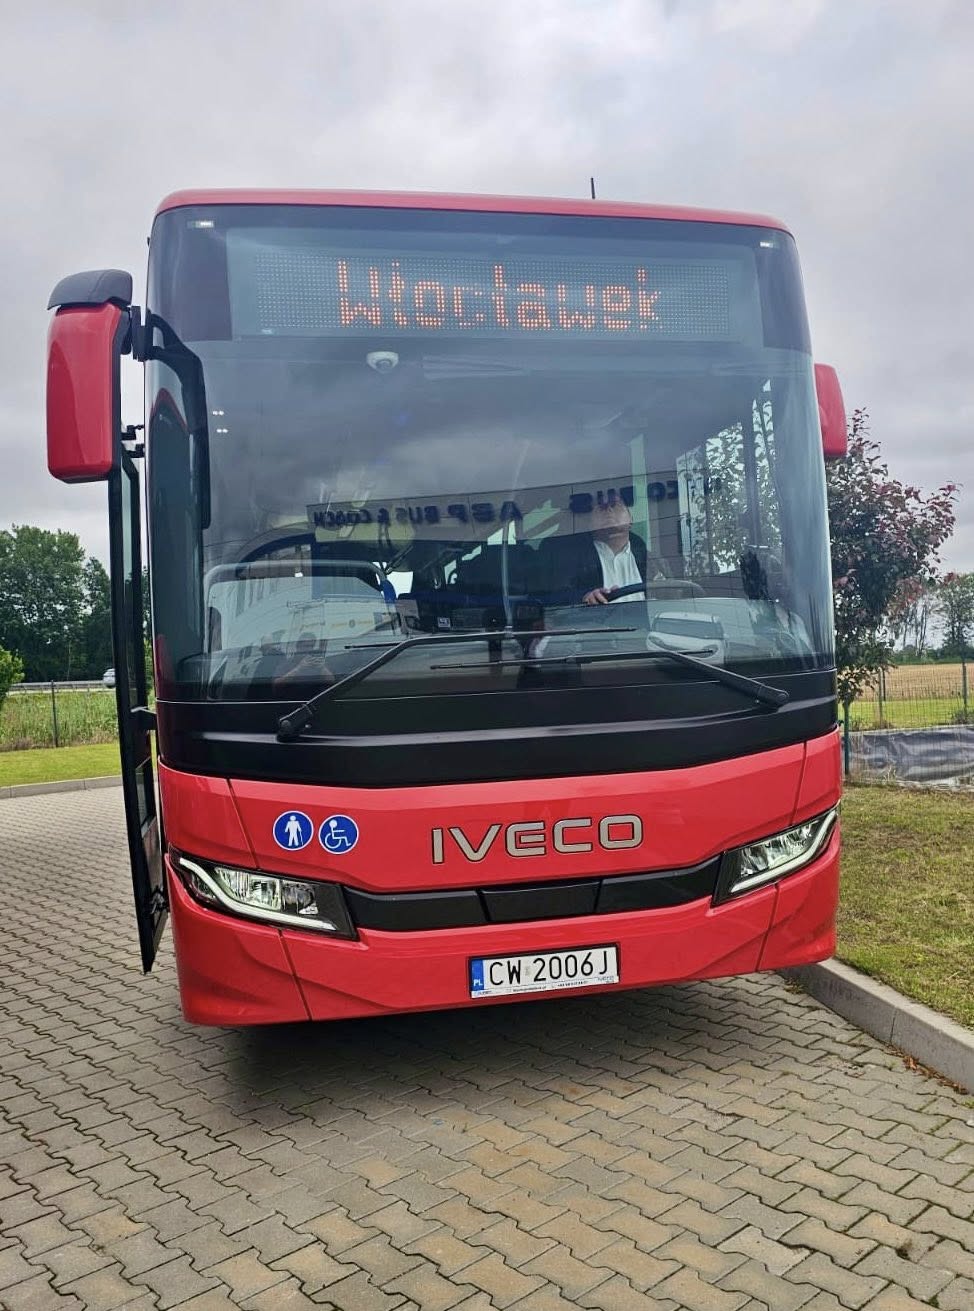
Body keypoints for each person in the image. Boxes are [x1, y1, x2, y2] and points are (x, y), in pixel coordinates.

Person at [538, 500, 670, 605]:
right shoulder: (568, 560)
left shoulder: (653, 561)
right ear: (590, 524)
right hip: (594, 630)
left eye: (615, 505)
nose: (609, 510)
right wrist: (584, 597)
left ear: (631, 519)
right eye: (601, 507)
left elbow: (673, 597)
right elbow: (551, 598)